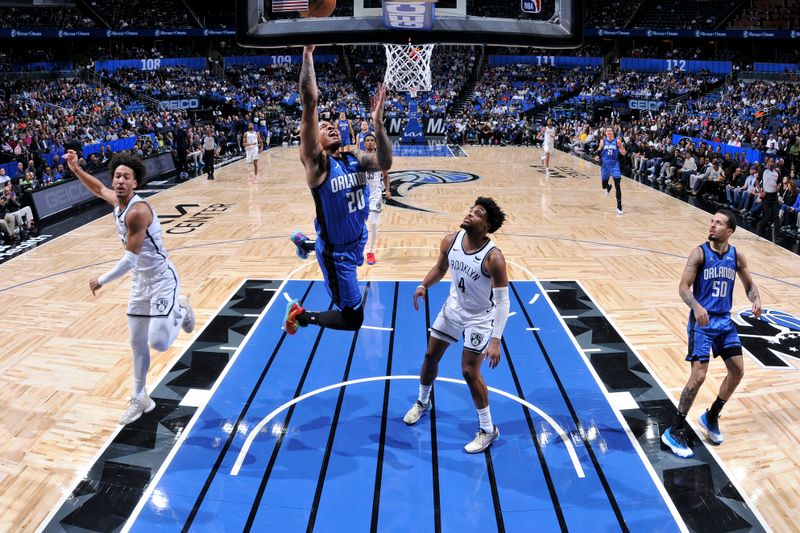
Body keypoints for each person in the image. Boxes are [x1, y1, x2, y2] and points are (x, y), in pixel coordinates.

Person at [64, 149, 196, 425]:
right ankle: (140, 397)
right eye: (117, 176)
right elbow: (98, 188)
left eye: (126, 177)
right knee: (137, 343)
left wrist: (100, 280)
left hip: (161, 279)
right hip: (141, 283)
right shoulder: (117, 202)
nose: (119, 181)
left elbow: (130, 259)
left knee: (158, 342)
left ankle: (181, 308)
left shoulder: (137, 211)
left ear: (135, 183)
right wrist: (76, 169)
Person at [284, 45, 392, 334]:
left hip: (358, 238)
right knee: (353, 319)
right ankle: (300, 315)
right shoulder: (317, 164)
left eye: (334, 125)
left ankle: (305, 243)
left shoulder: (354, 157)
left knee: (341, 228)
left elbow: (385, 162)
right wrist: (308, 55)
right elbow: (309, 103)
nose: (331, 127)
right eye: (324, 126)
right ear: (313, 137)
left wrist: (378, 125)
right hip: (338, 253)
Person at [403, 197, 509, 454]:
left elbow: (503, 302)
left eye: (478, 213)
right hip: (453, 309)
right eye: (471, 210)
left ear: (487, 225)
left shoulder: (494, 258)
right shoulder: (451, 241)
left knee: (469, 372)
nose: (470, 214)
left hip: (479, 318)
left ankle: (487, 430)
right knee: (430, 356)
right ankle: (422, 401)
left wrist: (495, 340)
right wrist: (423, 285)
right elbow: (440, 268)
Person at [661, 209, 761, 458]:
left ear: (730, 231)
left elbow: (750, 286)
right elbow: (683, 288)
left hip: (724, 323)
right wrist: (696, 306)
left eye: (718, 223)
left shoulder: (736, 255)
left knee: (737, 371)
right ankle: (674, 429)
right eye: (711, 221)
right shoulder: (699, 253)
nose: (712, 225)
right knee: (698, 376)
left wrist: (756, 299)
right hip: (702, 324)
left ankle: (711, 415)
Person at [363, 133, 391, 265]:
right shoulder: (359, 158)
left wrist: (388, 190)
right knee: (358, 225)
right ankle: (358, 249)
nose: (369, 142)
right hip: (361, 196)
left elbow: (386, 176)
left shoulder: (381, 159)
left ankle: (371, 251)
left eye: (371, 140)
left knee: (373, 223)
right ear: (364, 143)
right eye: (367, 140)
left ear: (375, 144)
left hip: (375, 195)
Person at [595, 126, 627, 215]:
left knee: (618, 184)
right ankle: (608, 187)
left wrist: (623, 152)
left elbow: (623, 151)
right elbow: (599, 150)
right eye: (607, 131)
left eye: (610, 130)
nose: (609, 132)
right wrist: (597, 156)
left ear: (613, 132)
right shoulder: (602, 141)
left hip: (614, 165)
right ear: (605, 132)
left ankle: (619, 206)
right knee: (603, 185)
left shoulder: (617, 141)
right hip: (605, 166)